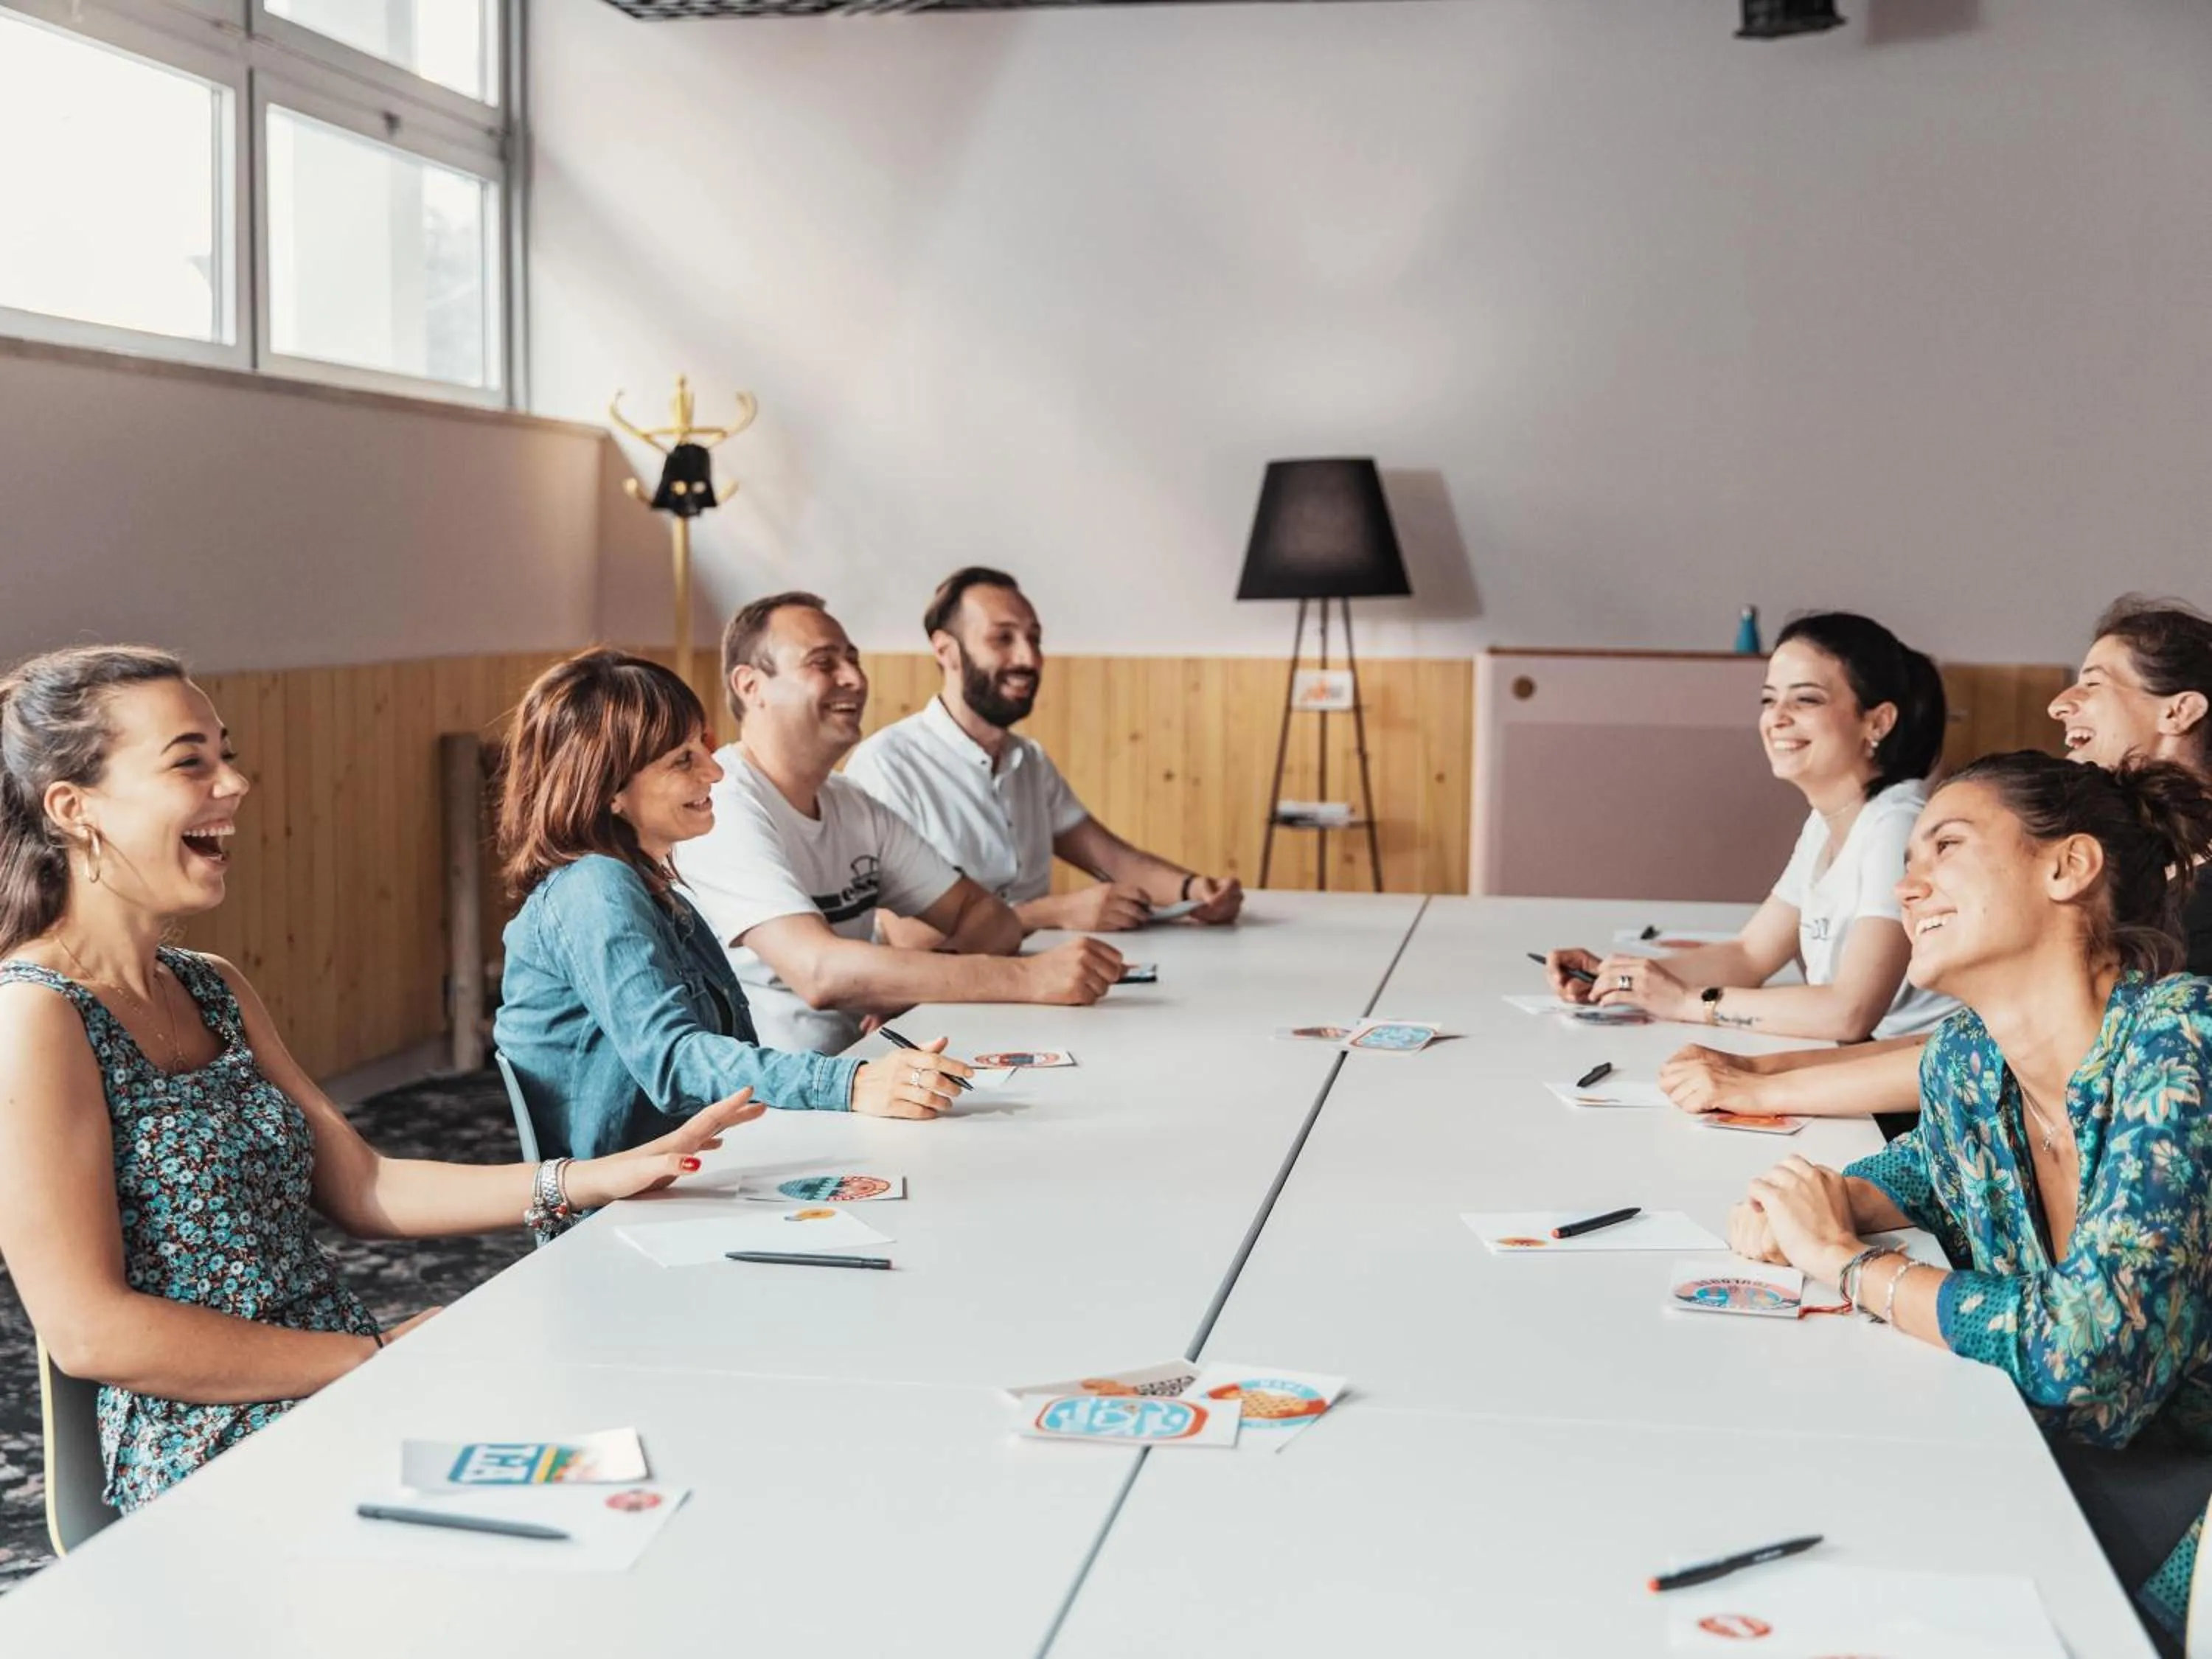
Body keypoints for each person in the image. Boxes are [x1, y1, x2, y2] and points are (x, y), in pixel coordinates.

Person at [0, 647, 752, 1515]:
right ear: (73, 807)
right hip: (210, 1444)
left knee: (656, 1442)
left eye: (225, 752)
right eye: (190, 762)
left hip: (349, 1379)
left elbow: (364, 1184)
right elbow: (90, 1330)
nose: (235, 782)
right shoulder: (34, 1017)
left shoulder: (211, 984)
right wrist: (374, 1357)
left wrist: (596, 1178)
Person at [1727, 751, 2212, 1650]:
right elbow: (1926, 1171)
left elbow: (2089, 1358)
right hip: (2077, 1472)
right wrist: (1818, 1201)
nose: (1909, 891)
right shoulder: (1970, 1060)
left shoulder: (2183, 1040)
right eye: (1906, 864)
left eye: (1944, 848)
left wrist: (1847, 1264)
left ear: (2067, 868)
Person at [1663, 595, 2212, 1120]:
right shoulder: (2148, 871)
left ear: (2181, 710)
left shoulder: (2183, 917)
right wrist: (1759, 1071)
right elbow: (1981, 1040)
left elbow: (2012, 1057)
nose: (2059, 704)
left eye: (2092, 683)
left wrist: (1761, 1083)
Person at [493, 650, 972, 1161]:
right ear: (609, 789)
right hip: (624, 1215)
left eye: (703, 746)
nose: (715, 772)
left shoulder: (655, 889)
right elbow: (675, 1063)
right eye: (683, 760)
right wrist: (852, 1084)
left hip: (695, 1178)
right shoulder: (594, 887)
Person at [672, 593, 1124, 1054]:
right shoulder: (721, 806)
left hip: (864, 1075)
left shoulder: (852, 804)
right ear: (751, 685)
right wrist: (1027, 977)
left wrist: (905, 987)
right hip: (765, 1108)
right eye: (823, 663)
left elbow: (991, 919)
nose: (854, 679)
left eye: (853, 660)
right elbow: (818, 972)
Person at [1543, 612, 1952, 1040]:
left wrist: (1686, 1003)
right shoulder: (1828, 821)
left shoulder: (1898, 827)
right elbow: (1748, 955)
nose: (1776, 718)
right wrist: (1617, 976)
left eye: (1805, 700)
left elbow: (1848, 1014)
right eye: (1768, 700)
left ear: (1878, 722)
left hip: (1917, 1095)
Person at [844, 568, 1243, 935]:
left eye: (1034, 638)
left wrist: (1194, 890)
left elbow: (1112, 859)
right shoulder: (887, 765)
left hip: (1042, 985)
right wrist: (1054, 913)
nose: (1029, 658)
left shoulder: (1029, 760)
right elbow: (907, 937)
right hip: (939, 1002)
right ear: (946, 651)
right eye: (1003, 638)